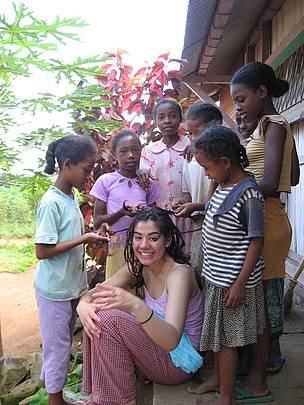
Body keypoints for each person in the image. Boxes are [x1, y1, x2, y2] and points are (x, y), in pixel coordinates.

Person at [77, 207, 204, 405]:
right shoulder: (138, 266)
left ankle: (121, 401)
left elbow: (171, 340)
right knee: (96, 310)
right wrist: (83, 304)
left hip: (179, 362)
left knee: (109, 320)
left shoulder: (179, 275)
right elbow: (94, 294)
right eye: (138, 238)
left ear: (168, 240)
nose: (144, 245)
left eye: (153, 238)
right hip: (155, 350)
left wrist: (135, 306)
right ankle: (101, 396)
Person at [230, 61, 299, 401]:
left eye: (241, 99)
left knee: (259, 298)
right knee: (265, 295)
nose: (238, 107)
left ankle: (258, 377)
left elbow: (272, 181)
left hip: (268, 219)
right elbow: (295, 175)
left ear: (261, 93)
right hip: (270, 216)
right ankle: (264, 362)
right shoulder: (274, 126)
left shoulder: (273, 125)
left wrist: (235, 192)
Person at [192, 126, 266, 405]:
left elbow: (256, 242)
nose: (205, 173)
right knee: (217, 337)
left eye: (207, 167)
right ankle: (218, 381)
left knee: (226, 343)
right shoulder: (223, 186)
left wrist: (239, 284)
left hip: (233, 283)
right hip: (216, 277)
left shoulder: (249, 194)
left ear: (225, 163)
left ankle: (226, 397)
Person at [34, 135, 109, 405]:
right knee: (58, 347)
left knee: (62, 344)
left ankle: (57, 393)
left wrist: (93, 233)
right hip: (54, 290)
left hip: (70, 286)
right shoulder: (51, 202)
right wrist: (84, 239)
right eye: (86, 170)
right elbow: (42, 251)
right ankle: (55, 400)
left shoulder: (70, 197)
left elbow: (69, 236)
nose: (88, 176)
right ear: (67, 165)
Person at [90, 130, 160, 279]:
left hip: (144, 248)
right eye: (124, 151)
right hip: (117, 248)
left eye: (135, 150)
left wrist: (145, 213)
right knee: (117, 292)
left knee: (142, 291)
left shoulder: (148, 183)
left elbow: (157, 220)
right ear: (114, 155)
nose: (131, 155)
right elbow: (97, 222)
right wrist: (121, 213)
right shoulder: (106, 181)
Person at [139, 98, 192, 254]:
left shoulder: (191, 146)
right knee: (164, 256)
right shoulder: (148, 151)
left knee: (187, 254)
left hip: (187, 212)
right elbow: (145, 180)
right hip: (161, 215)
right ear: (156, 122)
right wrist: (140, 173)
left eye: (172, 116)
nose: (167, 121)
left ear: (180, 118)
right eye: (161, 117)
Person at [178, 102, 223, 274]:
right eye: (190, 134)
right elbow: (189, 195)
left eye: (199, 132)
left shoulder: (226, 158)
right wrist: (184, 204)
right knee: (199, 273)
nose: (194, 139)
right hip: (200, 227)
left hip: (223, 227)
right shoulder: (188, 159)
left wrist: (196, 206)